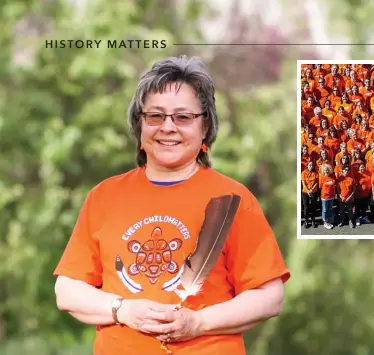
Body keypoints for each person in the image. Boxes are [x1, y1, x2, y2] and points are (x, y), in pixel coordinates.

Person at [53, 56, 290, 355]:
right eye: (155, 116)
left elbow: (270, 297)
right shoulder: (104, 196)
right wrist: (122, 309)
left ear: (205, 127)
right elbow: (67, 290)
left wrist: (198, 322)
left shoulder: (233, 199)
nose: (168, 127)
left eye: (183, 117)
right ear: (140, 125)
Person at [301, 161, 319, 228]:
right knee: (306, 207)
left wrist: (311, 190)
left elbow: (317, 182)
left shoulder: (315, 173)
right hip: (305, 192)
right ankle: (306, 220)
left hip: (313, 191)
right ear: (307, 166)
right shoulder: (303, 173)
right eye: (309, 165)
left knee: (313, 207)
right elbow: (303, 183)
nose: (311, 166)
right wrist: (308, 191)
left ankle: (313, 220)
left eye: (312, 165)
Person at [319, 164, 336, 229]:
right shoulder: (321, 176)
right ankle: (325, 222)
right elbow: (320, 187)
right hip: (325, 196)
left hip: (331, 196)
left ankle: (329, 221)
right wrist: (327, 184)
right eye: (325, 170)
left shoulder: (333, 176)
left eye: (327, 170)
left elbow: (334, 183)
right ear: (323, 170)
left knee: (330, 209)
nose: (326, 171)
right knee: (325, 210)